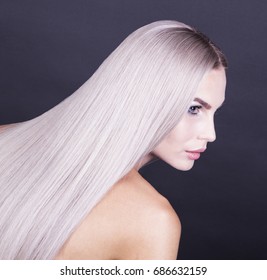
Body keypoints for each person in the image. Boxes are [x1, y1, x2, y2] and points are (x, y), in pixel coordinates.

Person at [0, 20, 227, 260]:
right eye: (194, 109)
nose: (210, 134)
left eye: (214, 111)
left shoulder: (5, 139)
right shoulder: (152, 220)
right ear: (146, 98)